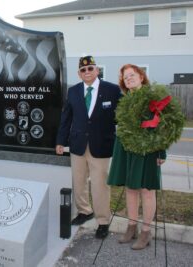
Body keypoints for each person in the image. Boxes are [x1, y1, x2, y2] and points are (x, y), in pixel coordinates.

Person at [56, 55, 121, 239]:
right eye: (83, 70)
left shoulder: (112, 90)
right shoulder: (73, 91)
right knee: (78, 182)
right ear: (79, 73)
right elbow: (66, 118)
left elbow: (122, 114)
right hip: (77, 144)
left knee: (100, 185)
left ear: (97, 70)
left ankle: (102, 221)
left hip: (100, 145)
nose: (87, 72)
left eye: (90, 68)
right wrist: (61, 141)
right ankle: (84, 211)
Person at [107, 64, 166, 250]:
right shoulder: (124, 100)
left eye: (132, 75)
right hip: (126, 149)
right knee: (130, 189)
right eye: (125, 77)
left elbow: (163, 126)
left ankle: (146, 232)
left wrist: (161, 151)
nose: (129, 79)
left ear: (141, 76)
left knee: (147, 190)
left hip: (147, 150)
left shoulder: (153, 98)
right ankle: (131, 227)